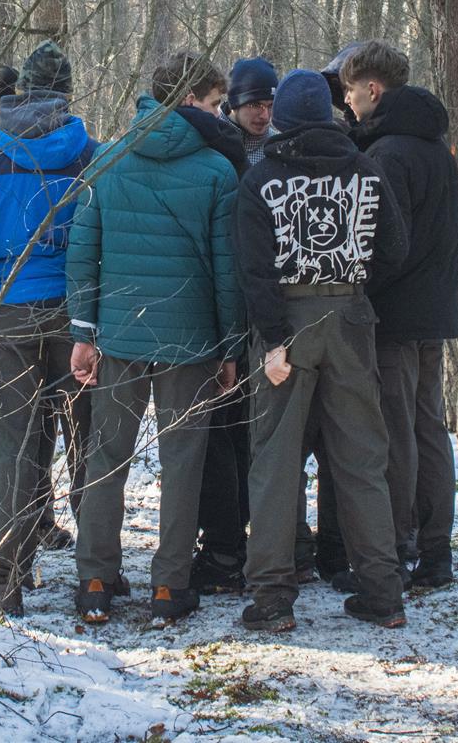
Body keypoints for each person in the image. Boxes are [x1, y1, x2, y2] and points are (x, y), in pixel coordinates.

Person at [67, 51, 244, 624]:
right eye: (214, 103)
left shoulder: (108, 159)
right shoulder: (217, 170)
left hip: (119, 333)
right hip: (190, 339)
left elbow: (83, 254)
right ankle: (169, 586)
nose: (219, 115)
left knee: (106, 456)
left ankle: (95, 579)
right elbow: (226, 272)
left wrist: (83, 332)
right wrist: (230, 348)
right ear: (189, 99)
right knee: (183, 462)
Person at [233, 69, 409, 632]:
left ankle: (271, 597)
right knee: (362, 458)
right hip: (351, 318)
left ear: (281, 117)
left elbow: (253, 270)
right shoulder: (365, 171)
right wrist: (352, 285)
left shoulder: (262, 179)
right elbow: (395, 249)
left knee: (275, 460)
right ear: (329, 115)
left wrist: (272, 338)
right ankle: (382, 591)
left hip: (286, 323)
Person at [0, 39, 97, 617]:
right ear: (67, 94)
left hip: (9, 310)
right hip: (75, 314)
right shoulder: (88, 154)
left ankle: (2, 583)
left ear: (23, 92)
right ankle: (97, 578)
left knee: (15, 449)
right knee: (89, 445)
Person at [341, 40, 458, 589]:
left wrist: (359, 291)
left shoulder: (388, 154)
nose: (347, 103)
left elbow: (387, 246)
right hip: (433, 311)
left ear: (373, 89)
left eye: (350, 91)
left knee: (396, 431)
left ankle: (393, 549)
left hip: (394, 314)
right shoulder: (435, 147)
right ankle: (436, 550)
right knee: (428, 426)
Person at [189, 56, 277, 594]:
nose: (262, 114)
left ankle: (262, 539)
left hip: (263, 309)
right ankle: (225, 542)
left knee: (254, 429)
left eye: (269, 104)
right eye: (252, 106)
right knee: (221, 428)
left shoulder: (283, 149)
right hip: (220, 306)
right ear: (232, 107)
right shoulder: (216, 148)